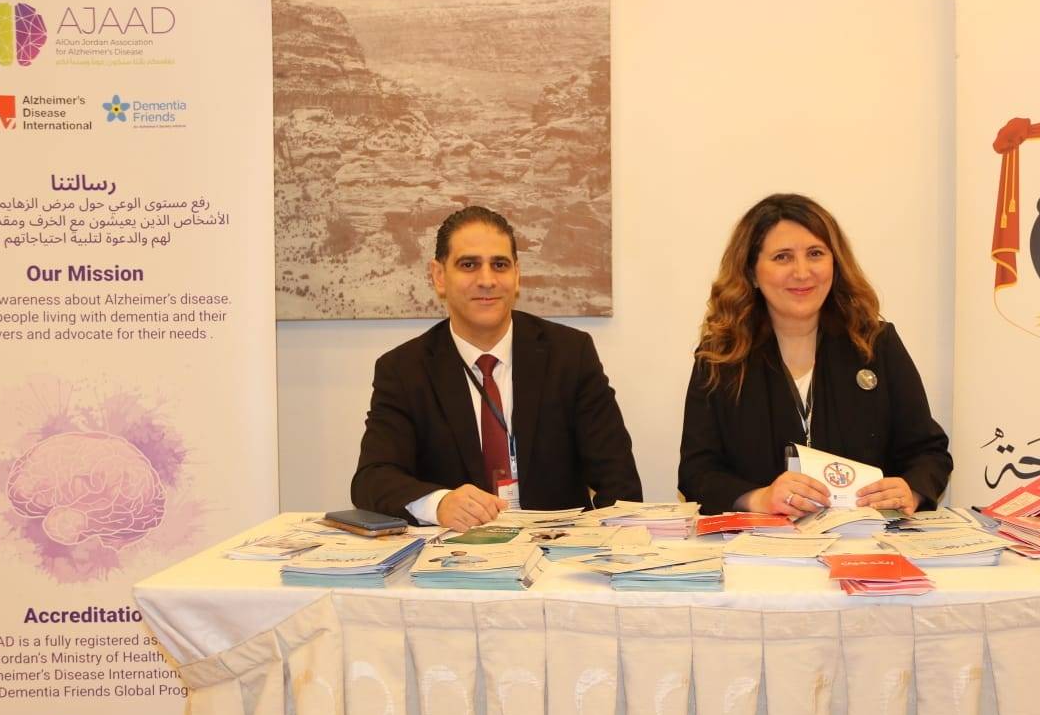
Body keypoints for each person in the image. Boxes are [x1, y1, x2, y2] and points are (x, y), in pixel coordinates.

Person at [352, 205, 642, 531]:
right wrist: (439, 504)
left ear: (516, 275)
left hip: (555, 553)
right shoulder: (404, 370)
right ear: (439, 276)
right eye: (469, 265)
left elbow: (619, 482)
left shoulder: (570, 355)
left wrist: (606, 550)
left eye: (499, 265)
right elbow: (372, 480)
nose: (487, 280)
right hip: (455, 555)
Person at [678, 193, 951, 517]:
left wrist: (911, 490)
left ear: (835, 263)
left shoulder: (876, 344)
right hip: (761, 541)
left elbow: (929, 453)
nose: (802, 272)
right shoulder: (720, 357)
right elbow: (696, 473)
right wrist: (759, 499)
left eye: (815, 254)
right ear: (751, 272)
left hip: (865, 539)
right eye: (782, 257)